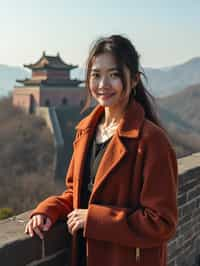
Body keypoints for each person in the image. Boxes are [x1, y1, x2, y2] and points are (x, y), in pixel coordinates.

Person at [25, 35, 178, 266]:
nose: (102, 85)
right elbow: (75, 193)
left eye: (114, 75)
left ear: (134, 79)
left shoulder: (151, 141)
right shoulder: (86, 132)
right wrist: (47, 211)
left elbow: (162, 223)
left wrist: (95, 220)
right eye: (96, 75)